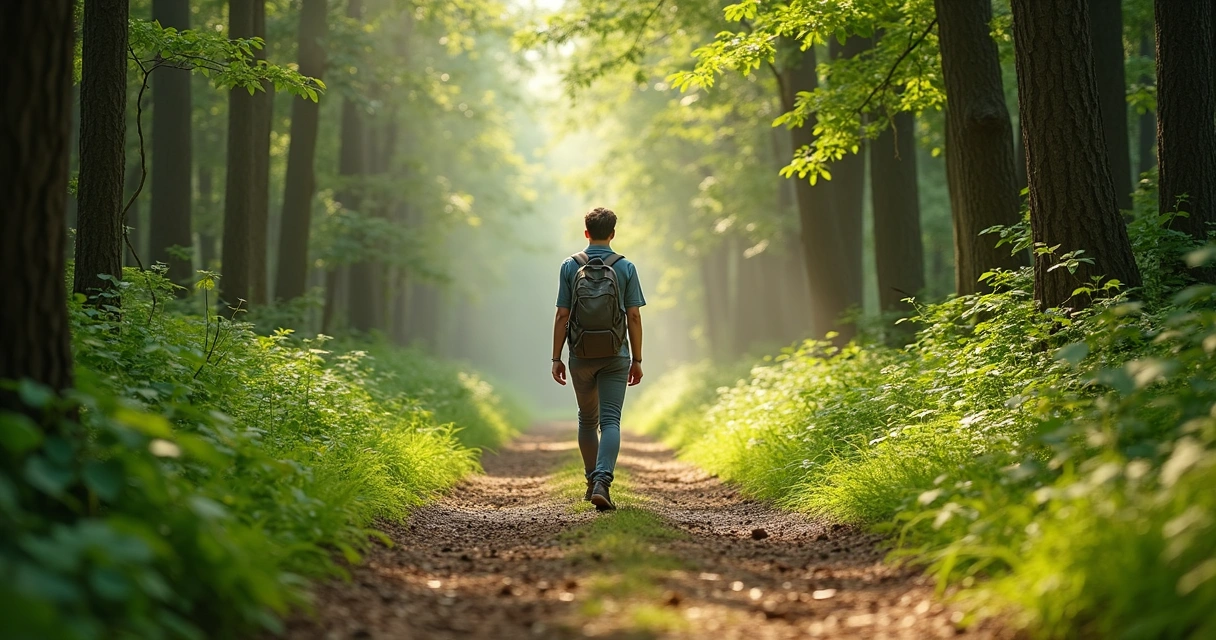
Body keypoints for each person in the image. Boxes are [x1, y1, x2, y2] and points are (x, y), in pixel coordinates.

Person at [551, 207, 645, 511]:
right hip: (616, 354)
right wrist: (637, 359)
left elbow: (562, 315)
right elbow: (633, 316)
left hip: (580, 354)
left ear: (586, 232)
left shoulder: (569, 266)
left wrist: (556, 357)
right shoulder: (626, 267)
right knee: (611, 420)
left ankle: (591, 480)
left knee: (587, 420)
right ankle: (604, 481)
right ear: (613, 234)